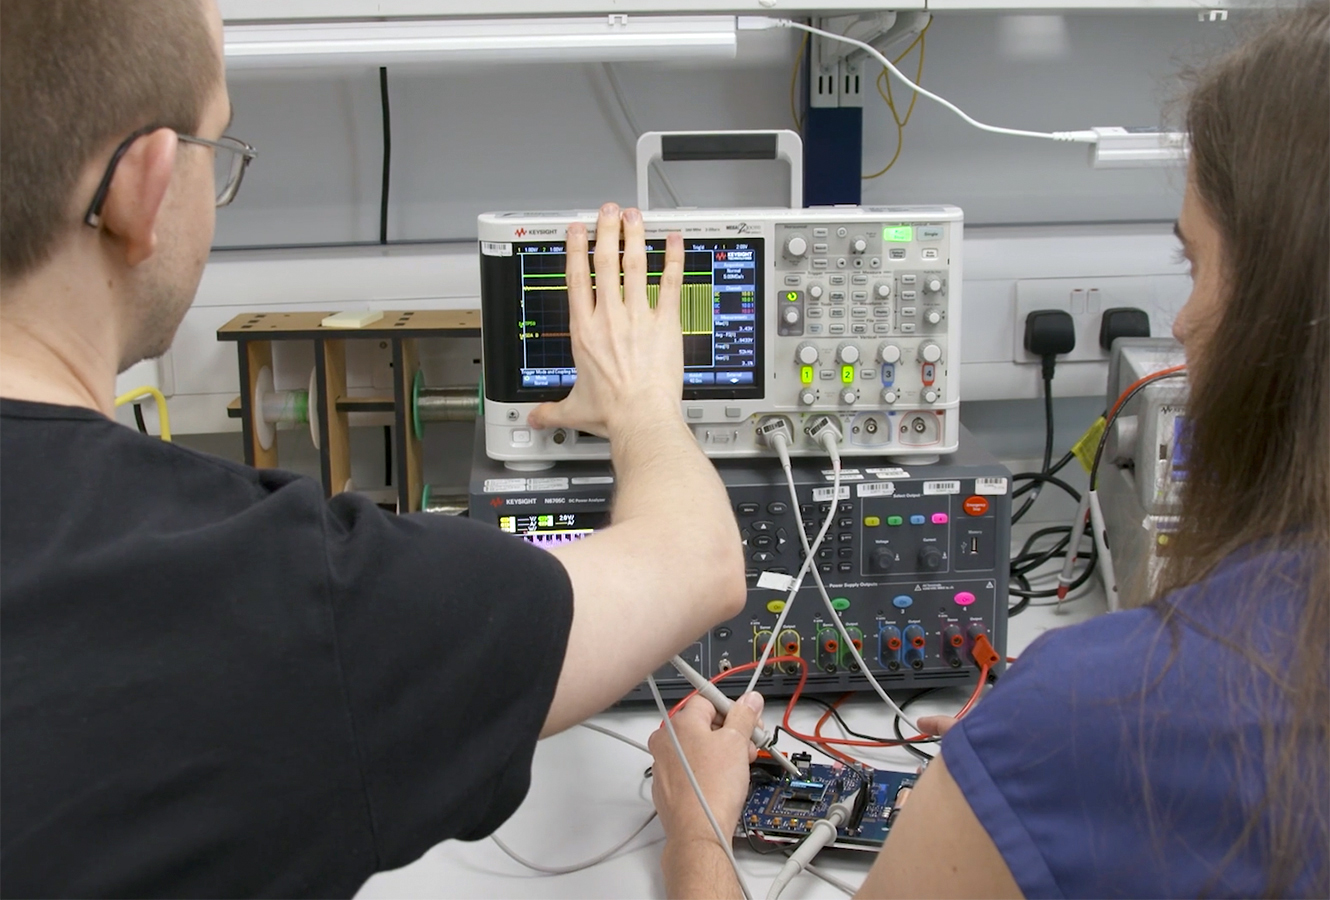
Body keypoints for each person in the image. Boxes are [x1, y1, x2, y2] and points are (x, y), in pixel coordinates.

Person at [0, 1, 746, 896]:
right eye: (218, 150)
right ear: (142, 187)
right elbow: (699, 562)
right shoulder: (292, 599)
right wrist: (642, 403)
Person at [650, 5, 1329, 898]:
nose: (1184, 321)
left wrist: (698, 831)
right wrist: (1012, 760)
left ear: (1284, 317)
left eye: (1197, 266)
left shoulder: (1103, 711)